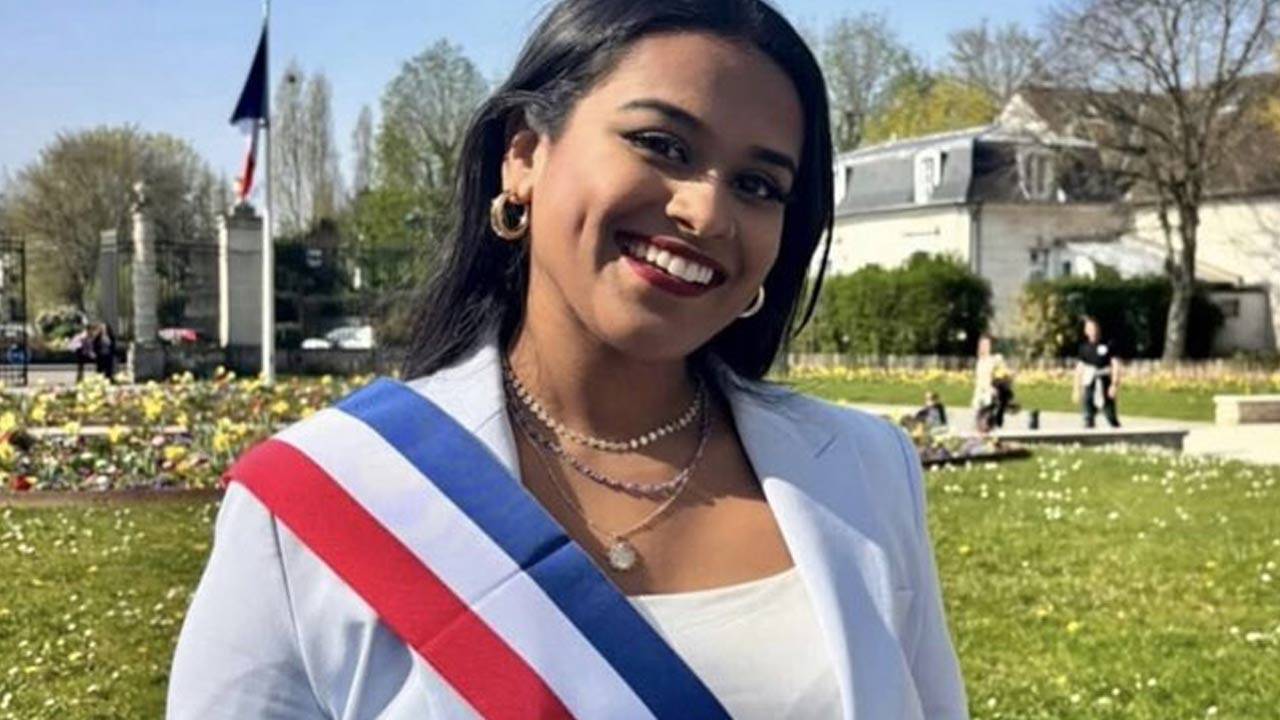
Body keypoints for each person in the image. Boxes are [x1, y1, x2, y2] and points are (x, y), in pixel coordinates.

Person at [168, 2, 968, 718]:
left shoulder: (865, 472)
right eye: (662, 144)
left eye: (759, 185)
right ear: (523, 155)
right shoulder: (319, 502)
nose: (706, 211)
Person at [1073, 316, 1121, 428]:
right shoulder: (1083, 348)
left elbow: (1115, 365)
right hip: (1089, 383)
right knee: (1087, 415)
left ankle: (1116, 432)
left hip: (1104, 383)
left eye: (1094, 329)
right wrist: (1076, 389)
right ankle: (1089, 429)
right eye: (1089, 329)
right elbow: (1079, 369)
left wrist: (1114, 384)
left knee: (1110, 416)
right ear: (1086, 331)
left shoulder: (1108, 345)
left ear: (1098, 329)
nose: (1093, 332)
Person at [972, 334, 1014, 432]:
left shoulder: (996, 358)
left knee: (987, 424)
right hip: (980, 394)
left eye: (986, 345)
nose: (983, 347)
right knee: (979, 425)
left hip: (991, 395)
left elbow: (1004, 374)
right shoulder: (980, 360)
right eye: (982, 344)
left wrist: (998, 385)